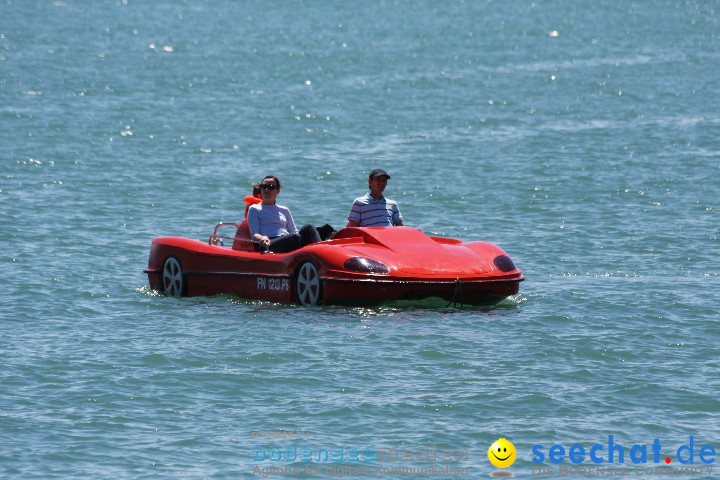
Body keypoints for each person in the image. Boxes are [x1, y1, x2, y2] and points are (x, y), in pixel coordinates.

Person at [247, 175, 322, 253]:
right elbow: (254, 235)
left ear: (277, 191)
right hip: (269, 243)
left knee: (309, 227)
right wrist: (262, 238)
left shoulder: (284, 210)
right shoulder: (254, 209)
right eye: (264, 186)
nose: (266, 189)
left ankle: (321, 252)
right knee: (294, 237)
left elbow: (293, 232)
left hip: (288, 239)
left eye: (271, 187)